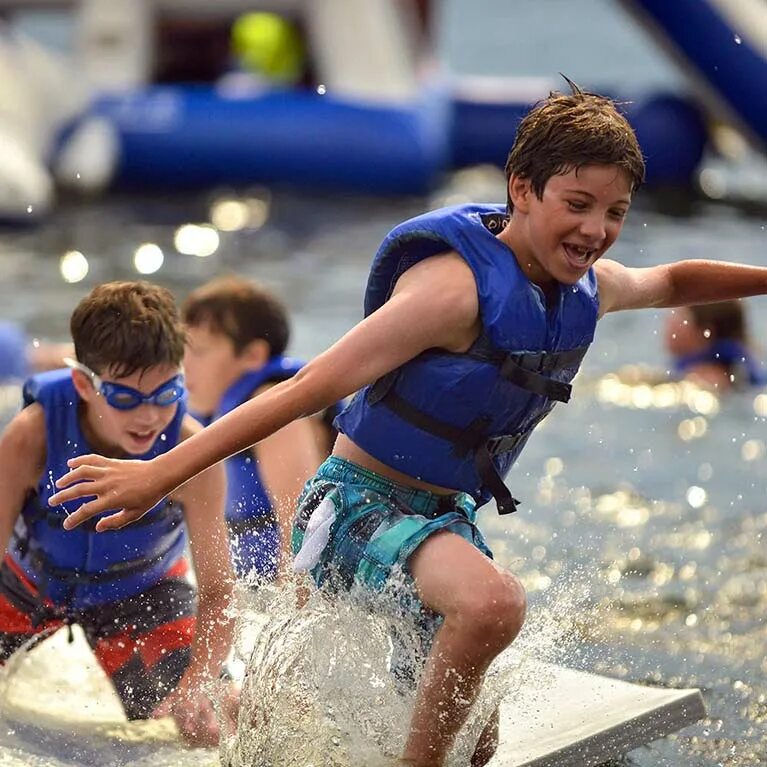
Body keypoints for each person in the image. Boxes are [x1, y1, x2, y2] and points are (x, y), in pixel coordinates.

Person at [48, 82, 767, 767]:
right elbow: (304, 388)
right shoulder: (447, 293)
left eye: (613, 213)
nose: (595, 231)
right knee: (493, 602)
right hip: (352, 507)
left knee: (476, 743)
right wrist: (156, 473)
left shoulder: (585, 288)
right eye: (577, 203)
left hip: (439, 519)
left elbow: (671, 280)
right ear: (521, 188)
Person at [0, 281, 234, 747]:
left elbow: (219, 591)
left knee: (216, 719)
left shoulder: (192, 453)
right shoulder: (33, 437)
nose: (149, 416)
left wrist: (199, 683)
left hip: (141, 596)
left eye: (166, 394)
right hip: (28, 582)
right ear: (84, 384)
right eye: (126, 399)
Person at [182, 275, 325, 582]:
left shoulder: (276, 413)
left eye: (199, 351)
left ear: (252, 356)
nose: (185, 365)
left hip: (292, 588)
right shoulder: (208, 411)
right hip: (255, 589)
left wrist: (291, 625)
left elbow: (303, 532)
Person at [665, 300, 766, 390]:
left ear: (705, 333)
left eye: (679, 317)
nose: (668, 322)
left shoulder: (709, 377)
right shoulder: (736, 369)